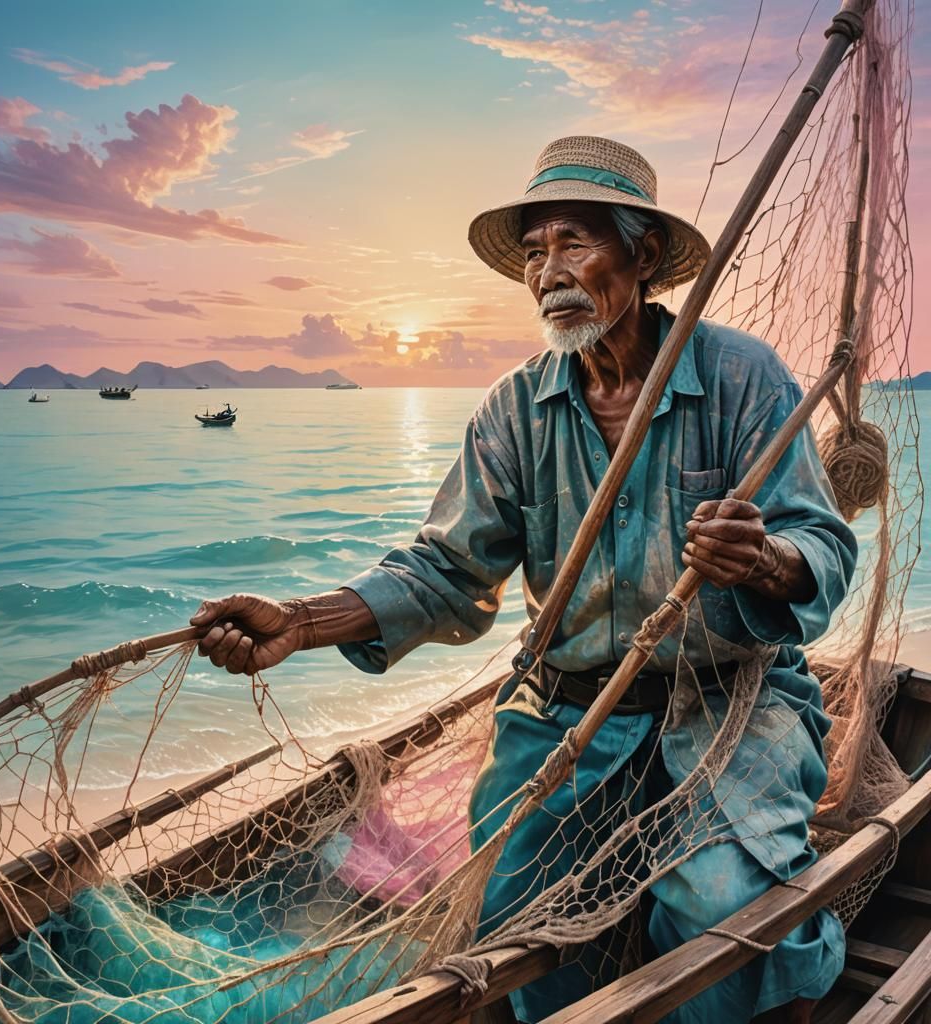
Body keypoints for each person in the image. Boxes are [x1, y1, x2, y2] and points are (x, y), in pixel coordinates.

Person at [190, 136, 857, 1023]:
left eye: (574, 243)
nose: (549, 272)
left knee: (726, 904)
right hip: (569, 712)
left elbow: (823, 543)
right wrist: (302, 623)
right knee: (511, 910)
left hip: (729, 702)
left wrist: (764, 558)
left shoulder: (743, 376)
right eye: (535, 252)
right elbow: (444, 572)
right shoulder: (514, 406)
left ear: (644, 254)